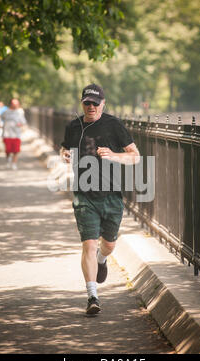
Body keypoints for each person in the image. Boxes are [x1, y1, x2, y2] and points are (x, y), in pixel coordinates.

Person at [61, 83, 140, 315]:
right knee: (89, 243)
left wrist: (114, 155)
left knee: (109, 244)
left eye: (96, 103)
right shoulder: (73, 127)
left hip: (112, 194)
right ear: (82, 103)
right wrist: (64, 154)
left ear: (103, 104)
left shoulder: (113, 125)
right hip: (84, 194)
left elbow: (135, 156)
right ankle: (92, 296)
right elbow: (64, 148)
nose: (91, 106)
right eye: (87, 103)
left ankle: (103, 260)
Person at [1, 99, 26, 170]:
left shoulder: (20, 112)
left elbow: (24, 122)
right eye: (14, 104)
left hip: (16, 134)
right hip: (7, 134)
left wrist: (20, 124)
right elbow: (1, 118)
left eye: (17, 104)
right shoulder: (5, 112)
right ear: (11, 104)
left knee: (16, 150)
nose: (15, 105)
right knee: (7, 150)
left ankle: (14, 163)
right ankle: (8, 159)